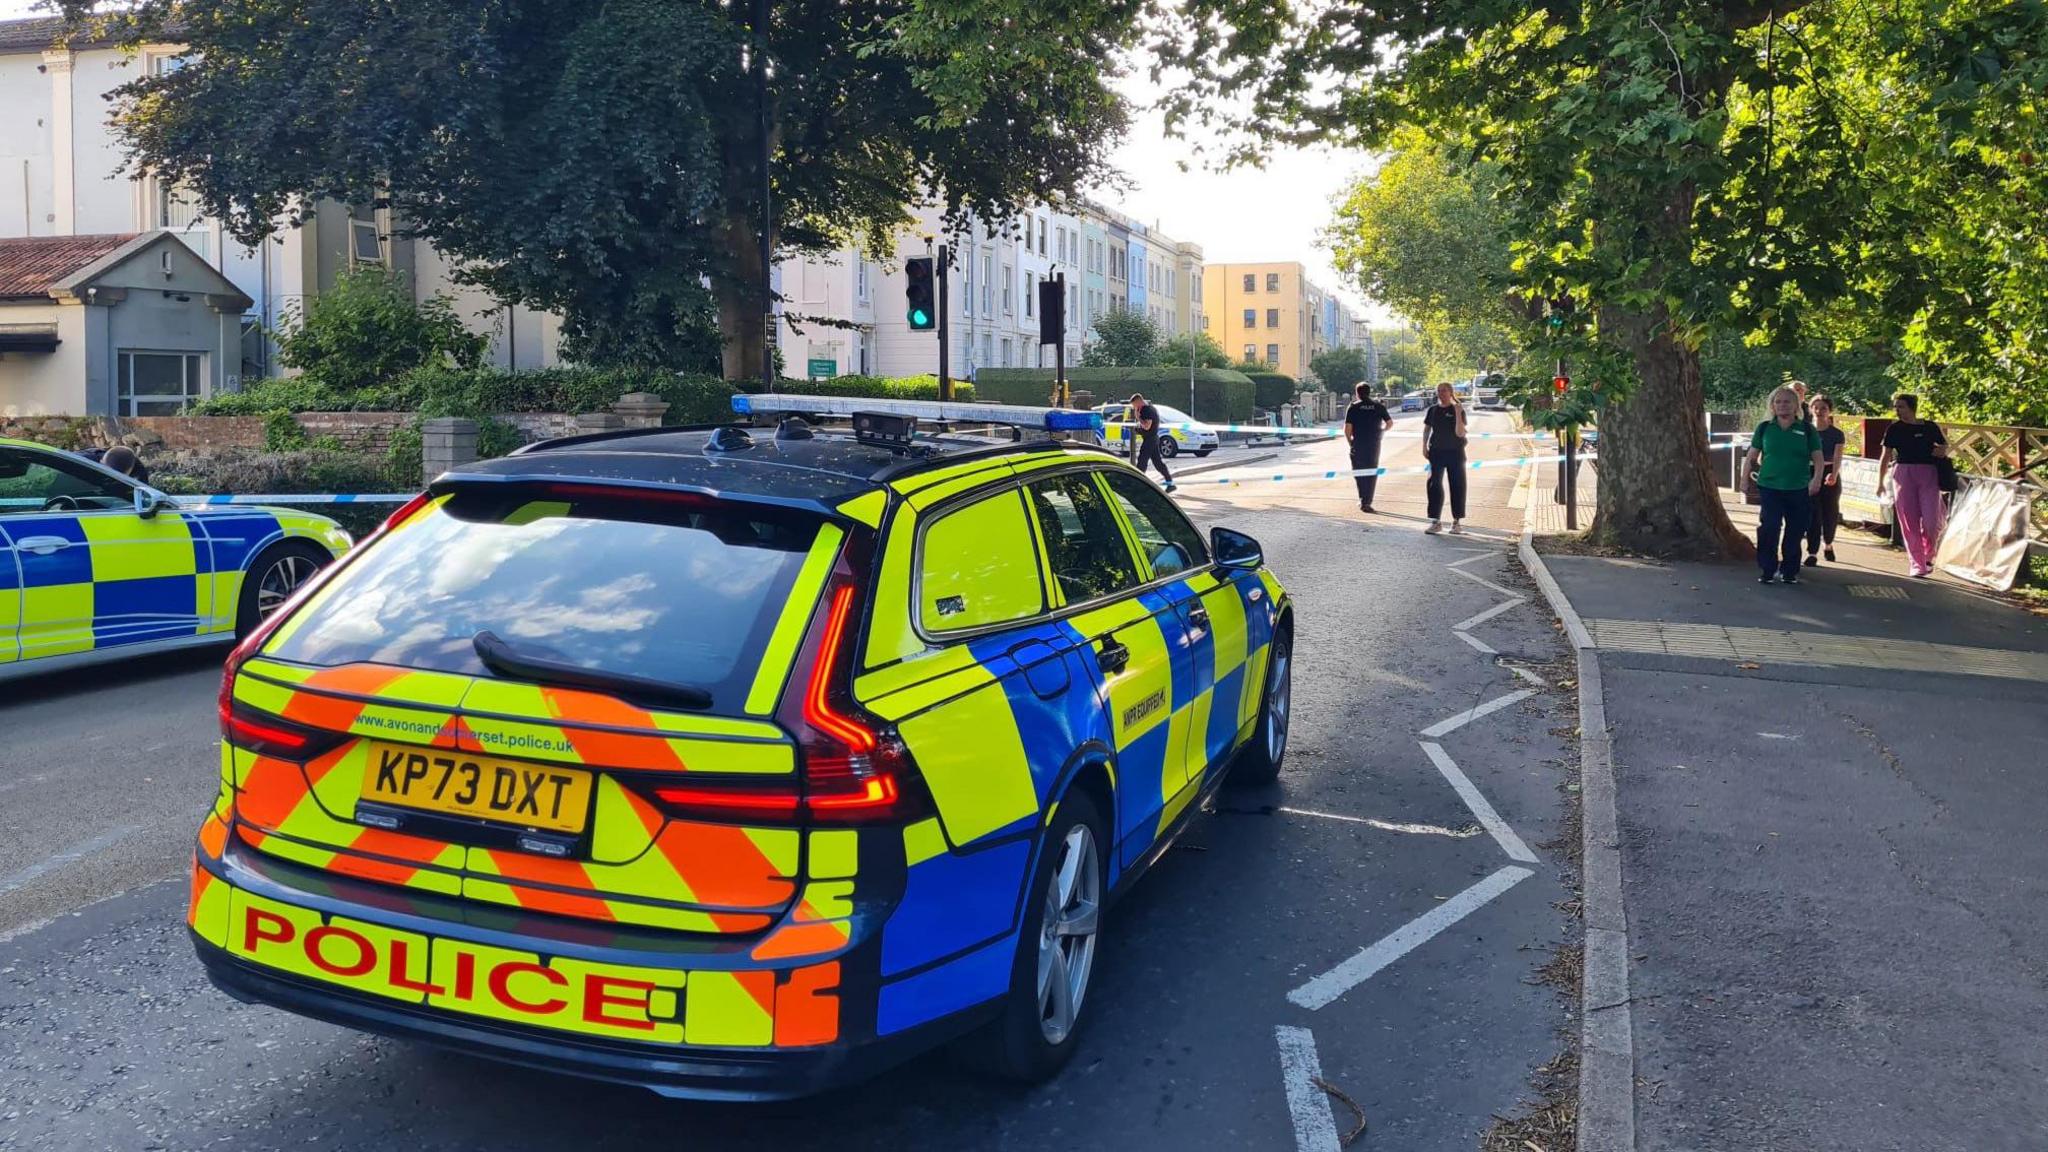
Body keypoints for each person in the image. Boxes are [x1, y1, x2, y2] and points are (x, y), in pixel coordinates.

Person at [1744, 384, 1824, 584]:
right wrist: (1743, 479)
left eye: (1787, 402)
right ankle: (1767, 569)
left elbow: (1818, 458)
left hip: (1798, 487)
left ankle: (1789, 570)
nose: (1782, 406)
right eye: (1778, 402)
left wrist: (1816, 480)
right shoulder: (1764, 428)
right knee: (1770, 527)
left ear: (1796, 405)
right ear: (1772, 406)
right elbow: (1752, 456)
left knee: (1795, 530)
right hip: (1770, 486)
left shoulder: (1806, 429)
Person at [1875, 392, 1949, 578]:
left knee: (1932, 521)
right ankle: (1917, 563)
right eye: (1896, 407)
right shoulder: (1894, 429)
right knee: (1909, 521)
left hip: (1928, 473)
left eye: (1901, 407)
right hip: (1903, 474)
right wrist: (1880, 482)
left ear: (1912, 408)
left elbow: (1944, 445)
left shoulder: (1930, 427)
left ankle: (1928, 554)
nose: (1897, 411)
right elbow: (1885, 456)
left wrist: (1942, 451)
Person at [1805, 394, 1846, 565]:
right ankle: (1812, 552)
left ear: (1829, 411)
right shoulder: (1805, 430)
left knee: (1830, 512)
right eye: (1816, 407)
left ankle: (1828, 542)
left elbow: (1838, 456)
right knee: (1813, 513)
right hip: (1810, 471)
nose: (1819, 411)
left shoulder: (1836, 434)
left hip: (1829, 471)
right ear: (1811, 409)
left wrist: (1834, 474)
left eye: (1823, 408)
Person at [1422, 381, 1467, 534]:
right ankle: (1435, 521)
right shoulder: (1433, 410)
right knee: (1434, 484)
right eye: (1439, 391)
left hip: (1455, 452)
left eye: (1444, 391)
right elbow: (1427, 429)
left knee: (1457, 485)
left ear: (1450, 392)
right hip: (1436, 452)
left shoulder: (1457, 409)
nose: (1441, 394)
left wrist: (1458, 414)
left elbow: (1460, 433)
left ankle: (1456, 522)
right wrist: (1424, 445)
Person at [1343, 382, 1393, 512]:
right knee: (1371, 471)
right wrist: (1382, 431)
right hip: (1374, 444)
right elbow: (1390, 423)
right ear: (1369, 392)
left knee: (1359, 471)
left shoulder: (1353, 407)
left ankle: (1362, 498)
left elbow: (1347, 428)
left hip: (1358, 444)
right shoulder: (1378, 406)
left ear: (1357, 393)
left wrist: (1351, 442)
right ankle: (1367, 501)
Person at [1127, 392, 1176, 492]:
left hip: (1150, 439)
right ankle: (1170, 483)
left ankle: (1138, 485)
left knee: (1142, 461)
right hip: (1152, 438)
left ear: (1138, 401)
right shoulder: (1146, 408)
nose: (1134, 407)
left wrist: (1138, 417)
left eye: (1134, 404)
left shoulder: (1147, 410)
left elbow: (1147, 426)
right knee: (1157, 463)